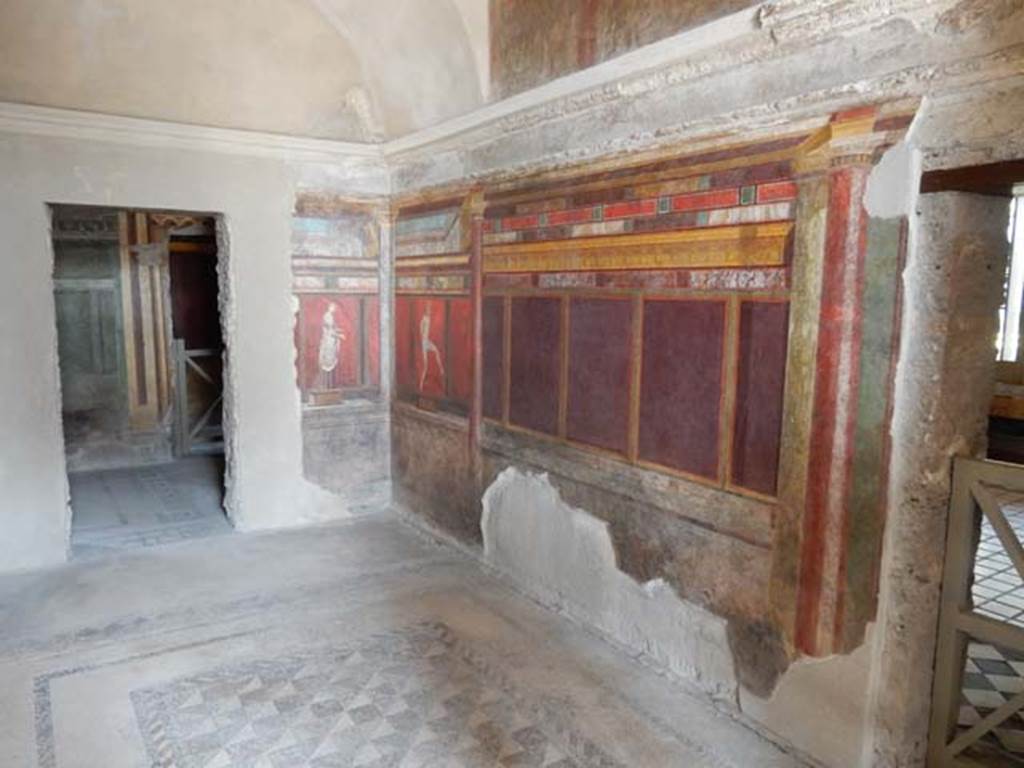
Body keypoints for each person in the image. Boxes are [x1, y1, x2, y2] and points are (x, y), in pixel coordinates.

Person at [317, 302, 345, 389]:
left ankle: (330, 386)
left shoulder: (330, 316)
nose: (334, 309)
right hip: (328, 341)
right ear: (330, 307)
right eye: (333, 307)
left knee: (331, 359)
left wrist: (338, 331)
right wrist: (339, 335)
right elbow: (329, 331)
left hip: (331, 341)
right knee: (328, 360)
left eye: (335, 307)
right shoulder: (327, 316)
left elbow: (332, 328)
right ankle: (326, 386)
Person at [419, 307, 444, 389]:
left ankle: (441, 369)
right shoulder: (424, 318)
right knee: (425, 366)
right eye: (429, 310)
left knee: (436, 351)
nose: (430, 312)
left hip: (427, 341)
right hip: (424, 342)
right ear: (426, 311)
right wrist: (422, 335)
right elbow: (421, 326)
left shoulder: (428, 318)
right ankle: (421, 384)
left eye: (430, 310)